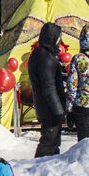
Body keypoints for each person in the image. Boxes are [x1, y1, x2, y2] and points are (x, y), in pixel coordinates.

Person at [28, 22, 66, 157]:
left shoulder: (41, 54)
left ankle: (47, 168)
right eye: (59, 37)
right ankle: (37, 169)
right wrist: (59, 111)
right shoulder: (45, 57)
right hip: (49, 108)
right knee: (49, 142)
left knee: (53, 143)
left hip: (46, 106)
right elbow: (48, 87)